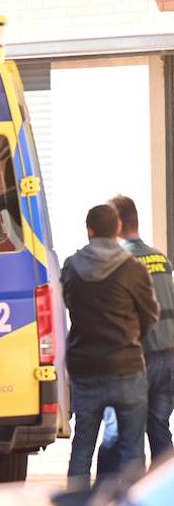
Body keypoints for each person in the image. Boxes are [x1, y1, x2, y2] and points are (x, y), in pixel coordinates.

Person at [62, 203, 159, 489]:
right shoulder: (134, 268)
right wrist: (131, 341)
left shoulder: (71, 267)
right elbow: (150, 315)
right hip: (127, 366)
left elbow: (69, 305)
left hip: (85, 368)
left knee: (82, 447)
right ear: (118, 229)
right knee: (132, 450)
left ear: (89, 230)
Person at [96, 194, 174, 474]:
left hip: (136, 363)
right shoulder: (161, 259)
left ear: (116, 225)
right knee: (159, 431)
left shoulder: (119, 264)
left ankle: (98, 505)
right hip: (168, 359)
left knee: (117, 436)